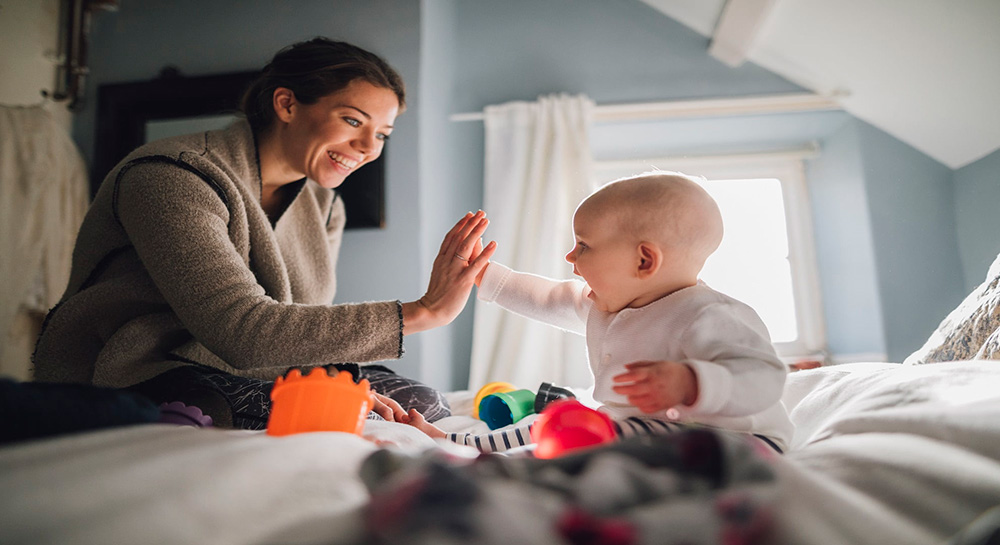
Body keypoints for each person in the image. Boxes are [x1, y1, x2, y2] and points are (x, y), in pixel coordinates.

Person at [32, 37, 496, 430]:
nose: (367, 148)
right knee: (233, 408)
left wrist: (335, 382)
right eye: (354, 121)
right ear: (287, 104)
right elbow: (241, 331)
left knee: (422, 402)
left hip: (254, 366)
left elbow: (300, 325)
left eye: (382, 134)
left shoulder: (323, 204)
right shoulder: (170, 177)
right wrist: (423, 311)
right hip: (137, 368)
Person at [404, 171, 793, 453]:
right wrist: (483, 274)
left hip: (736, 442)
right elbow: (546, 298)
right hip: (647, 431)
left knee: (597, 434)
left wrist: (692, 382)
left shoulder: (710, 314)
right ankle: (461, 443)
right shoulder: (606, 305)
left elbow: (765, 378)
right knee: (556, 421)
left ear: (644, 260)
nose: (571, 257)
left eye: (584, 246)